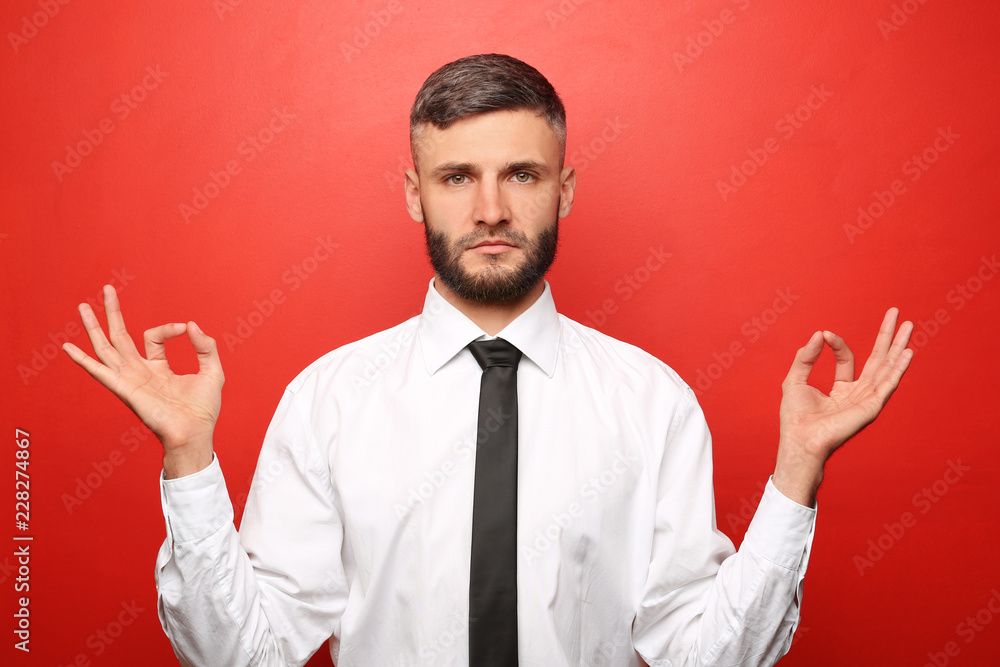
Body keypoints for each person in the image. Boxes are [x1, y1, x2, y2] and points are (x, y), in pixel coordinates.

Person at [63, 54, 914, 666]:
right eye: (457, 177)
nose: (492, 209)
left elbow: (709, 656)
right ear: (414, 193)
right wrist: (189, 462)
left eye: (523, 175)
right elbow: (241, 656)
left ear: (566, 189)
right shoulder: (329, 401)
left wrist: (797, 471)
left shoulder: (651, 402)